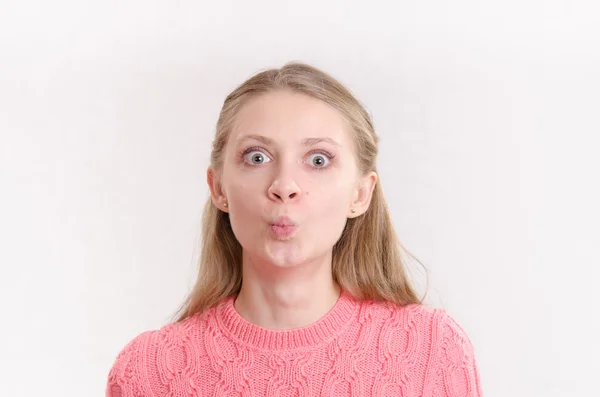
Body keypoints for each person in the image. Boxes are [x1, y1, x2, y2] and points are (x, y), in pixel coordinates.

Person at [105, 62, 483, 396]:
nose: (285, 184)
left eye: (318, 160)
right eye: (257, 157)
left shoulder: (431, 349)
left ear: (361, 193)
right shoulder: (147, 373)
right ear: (218, 188)